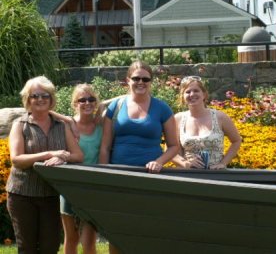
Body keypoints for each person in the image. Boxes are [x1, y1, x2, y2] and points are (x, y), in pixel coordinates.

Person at [99, 60, 178, 254]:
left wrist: (159, 162)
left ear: (151, 81)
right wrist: (102, 175)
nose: (140, 82)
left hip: (150, 177)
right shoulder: (116, 106)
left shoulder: (162, 108)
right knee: (116, 228)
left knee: (148, 227)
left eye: (145, 78)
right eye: (136, 78)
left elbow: (174, 146)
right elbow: (105, 146)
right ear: (128, 80)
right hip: (118, 175)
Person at [6, 75, 84, 254]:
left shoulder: (61, 125)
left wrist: (63, 158)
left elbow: (78, 155)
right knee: (27, 248)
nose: (40, 99)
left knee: (50, 247)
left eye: (45, 95)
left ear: (51, 99)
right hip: (22, 194)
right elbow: (17, 159)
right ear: (27, 99)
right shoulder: (20, 125)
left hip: (50, 195)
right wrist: (50, 154)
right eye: (35, 96)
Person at [51, 83, 102, 254]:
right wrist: (68, 119)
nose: (87, 103)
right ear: (75, 104)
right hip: (70, 186)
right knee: (71, 237)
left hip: (93, 187)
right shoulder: (67, 126)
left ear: (96, 102)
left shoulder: (101, 126)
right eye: (82, 100)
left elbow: (125, 97)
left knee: (89, 240)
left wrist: (102, 105)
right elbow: (41, 110)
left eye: (91, 99)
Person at [172, 76, 242, 169]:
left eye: (196, 91)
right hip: (187, 176)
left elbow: (236, 141)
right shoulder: (178, 119)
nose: (192, 94)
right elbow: (170, 149)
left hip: (215, 176)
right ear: (182, 96)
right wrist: (185, 163)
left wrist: (223, 163)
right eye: (187, 92)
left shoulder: (220, 117)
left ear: (204, 94)